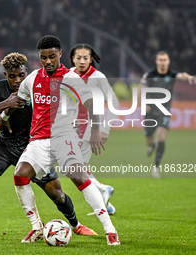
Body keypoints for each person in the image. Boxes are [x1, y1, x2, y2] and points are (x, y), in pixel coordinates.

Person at [0, 52, 98, 239]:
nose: (17, 80)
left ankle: (76, 225)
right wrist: (7, 103)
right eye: (12, 76)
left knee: (57, 195)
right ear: (5, 75)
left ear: (26, 72)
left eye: (21, 75)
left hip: (34, 147)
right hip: (6, 144)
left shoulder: (37, 87)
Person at [11, 36, 120, 245]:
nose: (48, 61)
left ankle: (109, 229)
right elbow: (19, 99)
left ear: (60, 54)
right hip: (38, 142)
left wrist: (96, 130)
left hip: (64, 138)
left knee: (78, 176)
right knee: (20, 176)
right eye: (44, 58)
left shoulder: (71, 78)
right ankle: (36, 228)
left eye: (52, 56)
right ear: (40, 57)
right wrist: (5, 116)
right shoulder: (32, 78)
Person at [69, 44, 119, 215]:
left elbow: (114, 102)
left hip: (89, 129)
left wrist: (105, 129)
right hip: (72, 128)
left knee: (75, 170)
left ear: (91, 59)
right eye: (78, 57)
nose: (82, 61)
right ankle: (104, 195)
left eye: (85, 58)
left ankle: (103, 193)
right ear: (73, 59)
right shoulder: (68, 74)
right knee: (75, 170)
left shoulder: (98, 77)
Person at [139, 51, 196, 178]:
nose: (162, 62)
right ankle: (152, 144)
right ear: (156, 61)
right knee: (149, 139)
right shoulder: (149, 74)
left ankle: (155, 168)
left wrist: (189, 78)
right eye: (160, 60)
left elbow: (182, 75)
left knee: (161, 137)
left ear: (168, 61)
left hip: (164, 110)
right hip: (150, 111)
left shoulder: (172, 74)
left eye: (165, 60)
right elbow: (141, 88)